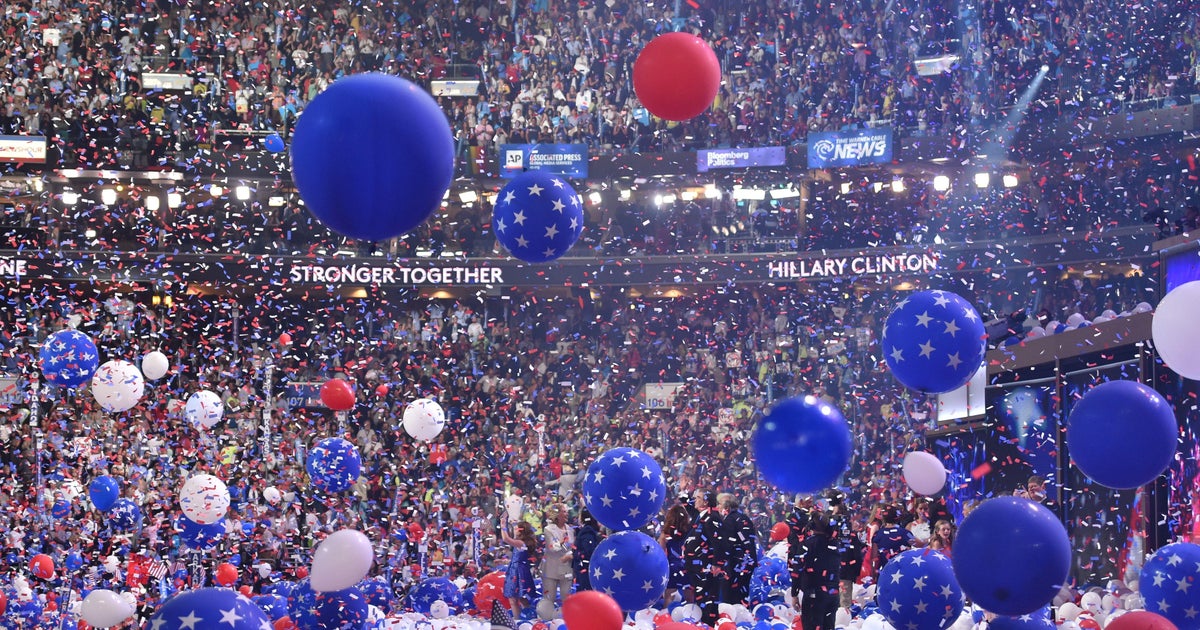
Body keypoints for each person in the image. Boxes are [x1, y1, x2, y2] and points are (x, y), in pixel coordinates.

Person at [684, 491, 723, 626]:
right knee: (699, 596)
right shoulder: (698, 515)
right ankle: (701, 623)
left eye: (698, 498)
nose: (694, 500)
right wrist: (685, 490)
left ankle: (709, 624)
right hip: (696, 565)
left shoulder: (713, 517)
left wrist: (716, 563)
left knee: (708, 597)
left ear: (706, 502)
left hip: (706, 566)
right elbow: (685, 502)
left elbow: (718, 542)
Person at [795, 512, 840, 630]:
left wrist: (794, 593)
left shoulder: (807, 544)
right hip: (833, 594)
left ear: (811, 526)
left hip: (814, 595)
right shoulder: (835, 544)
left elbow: (797, 569)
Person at [718, 493, 758, 605]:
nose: (718, 507)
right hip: (748, 563)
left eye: (720, 504)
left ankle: (733, 620)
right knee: (743, 595)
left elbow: (727, 545)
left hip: (734, 565)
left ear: (727, 507)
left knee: (730, 597)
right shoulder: (745, 518)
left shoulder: (729, 520)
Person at [501, 516, 540, 619]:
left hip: (517, 571)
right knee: (521, 598)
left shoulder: (521, 543)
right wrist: (504, 561)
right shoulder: (523, 543)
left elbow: (505, 538)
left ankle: (519, 619)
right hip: (519, 569)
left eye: (515, 529)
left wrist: (503, 525)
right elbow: (518, 556)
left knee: (514, 598)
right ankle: (528, 617)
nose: (514, 530)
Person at [541, 505, 574, 614]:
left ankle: (567, 619)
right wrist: (561, 542)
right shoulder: (548, 529)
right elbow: (551, 548)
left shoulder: (570, 529)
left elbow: (572, 547)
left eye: (566, 511)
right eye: (564, 512)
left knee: (567, 595)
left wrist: (570, 554)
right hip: (551, 567)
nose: (567, 514)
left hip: (566, 567)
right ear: (557, 514)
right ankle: (547, 618)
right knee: (549, 597)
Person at [660, 502, 692, 606]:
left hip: (672, 567)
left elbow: (660, 552)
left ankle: (665, 617)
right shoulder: (690, 531)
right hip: (687, 566)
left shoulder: (665, 533)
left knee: (669, 596)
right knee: (690, 598)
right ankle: (692, 619)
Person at [871, 504, 917, 573]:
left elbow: (874, 558)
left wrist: (874, 573)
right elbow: (916, 546)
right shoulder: (906, 533)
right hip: (904, 571)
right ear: (897, 517)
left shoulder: (877, 535)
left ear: (883, 518)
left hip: (885, 572)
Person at [573, 509, 602, 591]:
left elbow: (588, 551)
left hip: (585, 571)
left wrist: (574, 555)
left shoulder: (587, 531)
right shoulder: (591, 530)